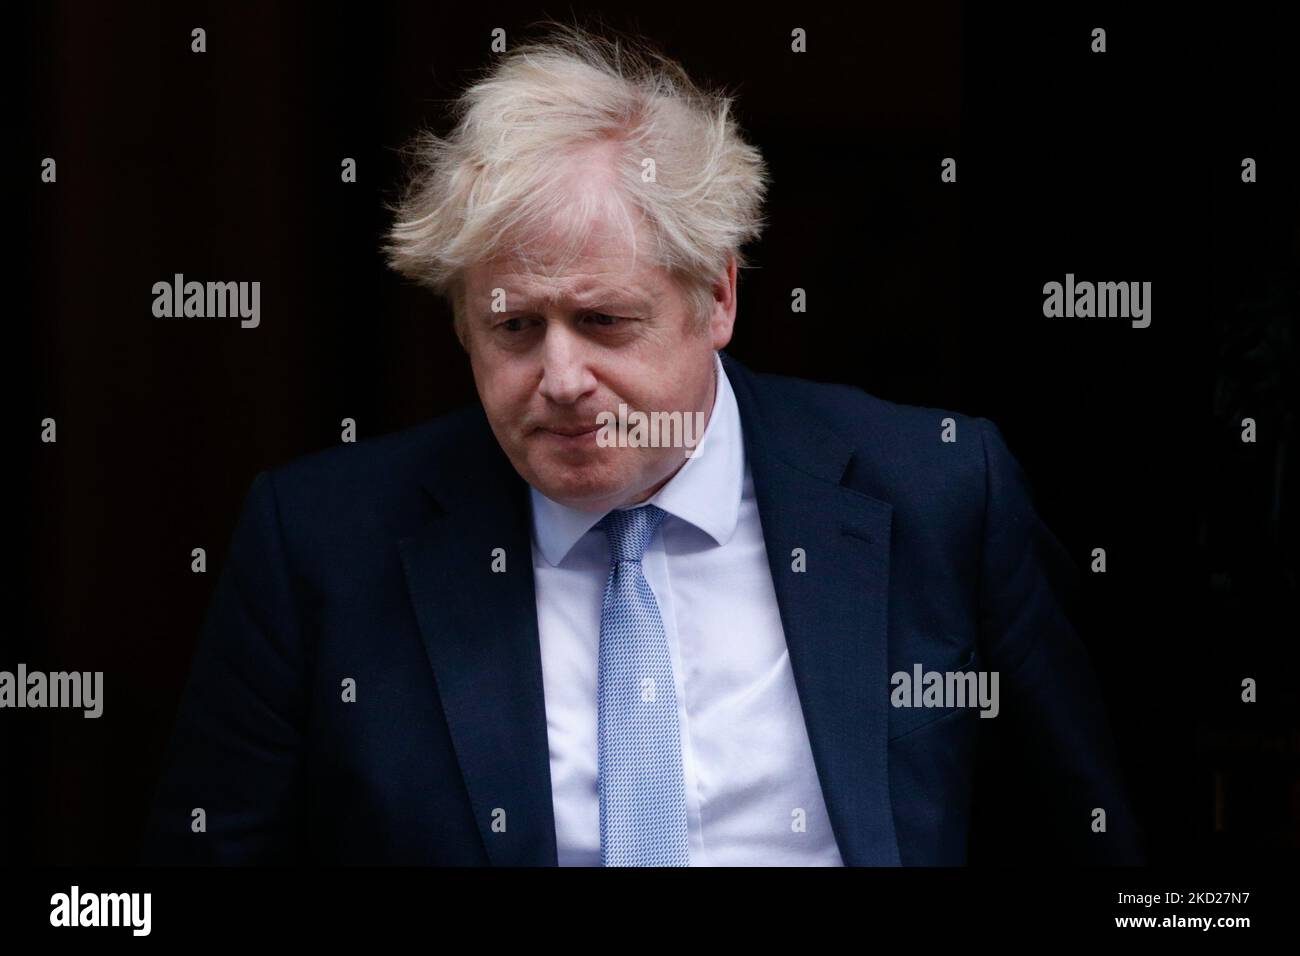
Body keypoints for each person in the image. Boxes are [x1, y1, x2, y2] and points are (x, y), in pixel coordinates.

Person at [140, 23, 1143, 866]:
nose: (562, 377)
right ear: (461, 326)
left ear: (719, 296)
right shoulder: (320, 543)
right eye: (514, 327)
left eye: (606, 321)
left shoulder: (938, 492)